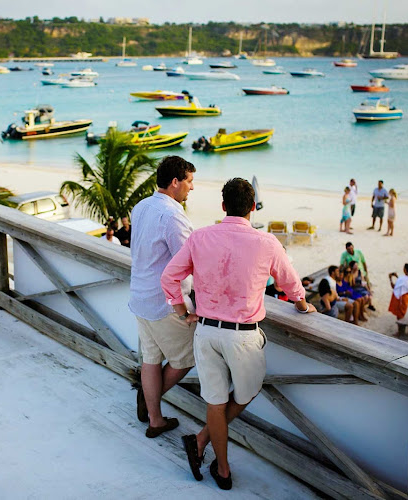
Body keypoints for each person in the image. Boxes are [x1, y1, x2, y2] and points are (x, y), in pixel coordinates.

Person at [161, 178, 315, 490]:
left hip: (205, 332)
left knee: (216, 403)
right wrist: (301, 304)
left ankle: (218, 462)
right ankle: (215, 458)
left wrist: (181, 310)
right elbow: (290, 282)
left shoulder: (201, 237)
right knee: (247, 392)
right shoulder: (267, 242)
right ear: (253, 208)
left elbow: (169, 276)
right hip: (243, 335)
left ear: (222, 206)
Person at [129, 156, 196, 439]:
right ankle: (150, 400)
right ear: (175, 182)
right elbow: (188, 261)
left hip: (139, 295)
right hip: (164, 302)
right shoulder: (172, 215)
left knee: (151, 360)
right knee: (185, 359)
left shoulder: (141, 206)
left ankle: (155, 418)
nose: (192, 188)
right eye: (190, 181)